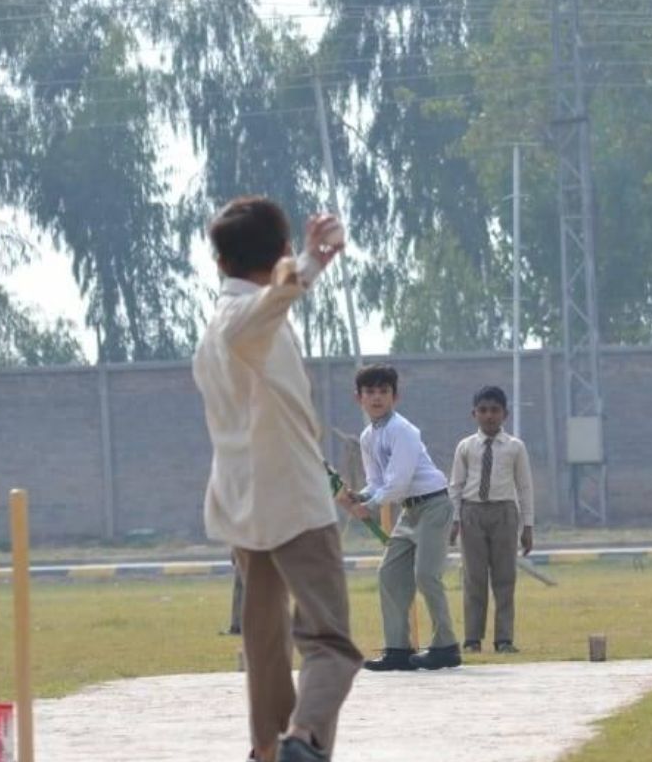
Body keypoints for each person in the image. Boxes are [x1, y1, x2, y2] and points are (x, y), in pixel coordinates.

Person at [193, 197, 362, 762]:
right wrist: (312, 262)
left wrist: (303, 263)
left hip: (242, 508)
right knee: (330, 642)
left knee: (264, 644)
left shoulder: (214, 329)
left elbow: (267, 308)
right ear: (283, 251)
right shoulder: (243, 322)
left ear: (219, 261)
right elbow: (266, 309)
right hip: (293, 502)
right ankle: (304, 739)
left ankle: (268, 749)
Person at [339, 364, 460, 672]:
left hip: (433, 506)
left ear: (396, 396)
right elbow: (377, 482)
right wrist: (360, 497)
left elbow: (398, 482)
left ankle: (446, 647)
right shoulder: (368, 436)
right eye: (370, 392)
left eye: (384, 391)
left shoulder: (402, 430)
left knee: (426, 575)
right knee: (389, 574)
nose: (376, 398)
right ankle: (398, 650)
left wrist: (371, 504)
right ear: (358, 398)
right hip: (409, 510)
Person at [448, 385, 535, 654]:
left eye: (495, 410)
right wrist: (454, 519)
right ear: (474, 413)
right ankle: (472, 639)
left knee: (505, 577)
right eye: (483, 410)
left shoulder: (515, 447)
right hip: (472, 512)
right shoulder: (466, 446)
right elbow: (456, 485)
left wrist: (528, 526)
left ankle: (504, 639)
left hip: (504, 513)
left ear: (505, 414)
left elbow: (524, 487)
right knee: (474, 578)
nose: (489, 416)